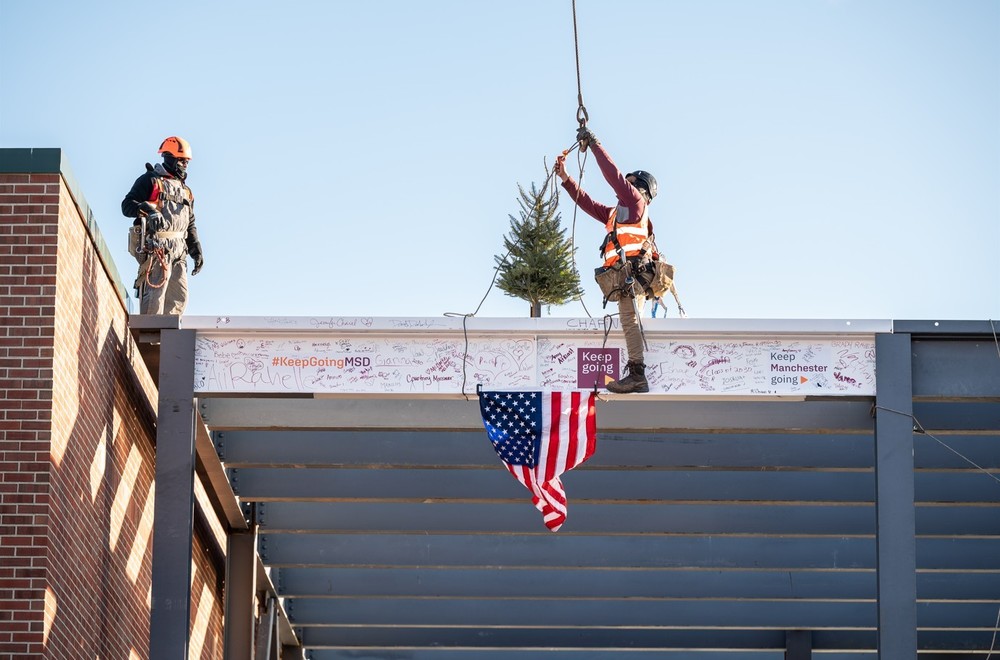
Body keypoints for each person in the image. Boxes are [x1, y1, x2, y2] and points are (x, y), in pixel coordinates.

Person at [555, 126, 658, 394]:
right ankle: (636, 373)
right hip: (624, 275)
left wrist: (595, 144)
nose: (624, 186)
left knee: (629, 320)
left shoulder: (636, 204)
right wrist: (566, 179)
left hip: (632, 276)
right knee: (627, 319)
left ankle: (637, 373)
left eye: (630, 182)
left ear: (639, 188)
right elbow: (587, 203)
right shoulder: (617, 213)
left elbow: (613, 177)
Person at [121, 136, 204, 315]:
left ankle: (168, 340)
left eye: (187, 161)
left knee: (179, 299)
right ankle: (151, 338)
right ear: (170, 158)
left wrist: (196, 250)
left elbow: (190, 224)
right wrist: (147, 209)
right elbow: (126, 206)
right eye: (182, 160)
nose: (185, 165)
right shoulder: (151, 180)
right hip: (158, 249)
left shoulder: (186, 192)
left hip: (179, 252)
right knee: (154, 298)